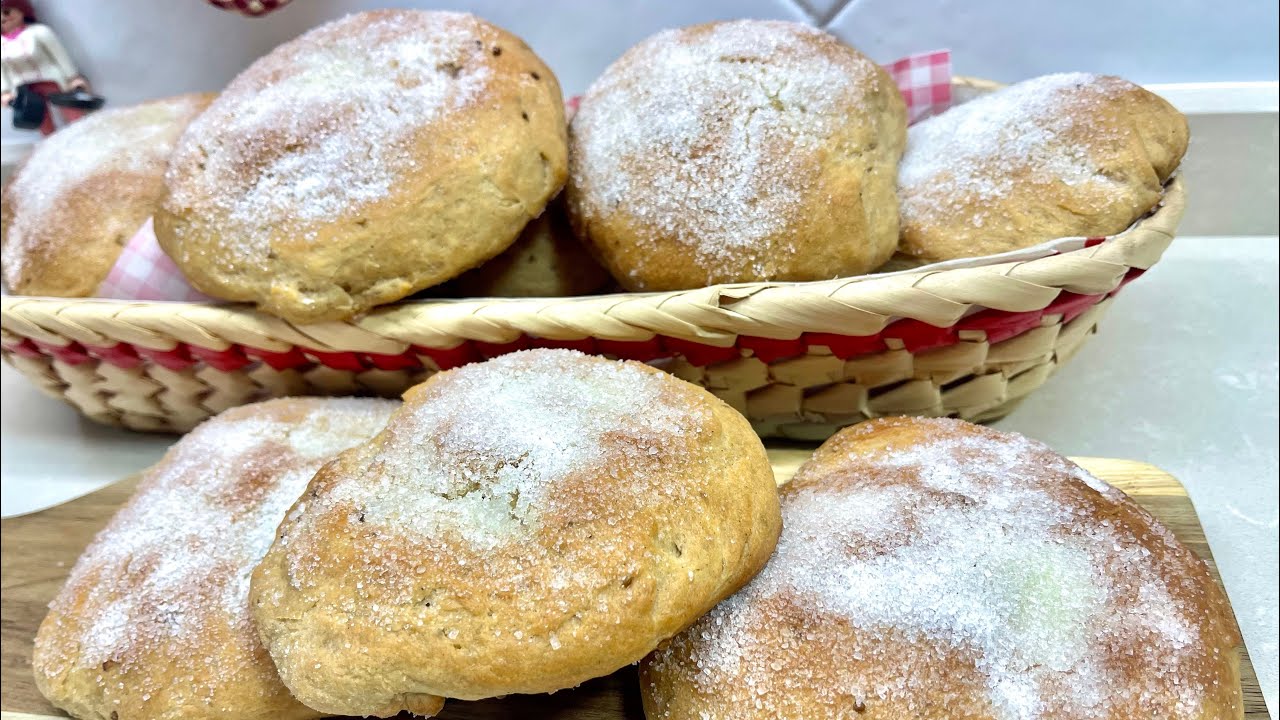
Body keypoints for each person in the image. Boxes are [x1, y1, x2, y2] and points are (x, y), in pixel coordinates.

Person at [1, 0, 90, 135]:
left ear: (21, 11)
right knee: (42, 121)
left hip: (52, 80)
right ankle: (50, 147)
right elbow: (2, 70)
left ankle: (85, 137)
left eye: (6, 12)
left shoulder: (39, 32)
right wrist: (5, 91)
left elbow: (60, 56)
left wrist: (73, 77)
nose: (2, 18)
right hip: (25, 89)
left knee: (73, 113)